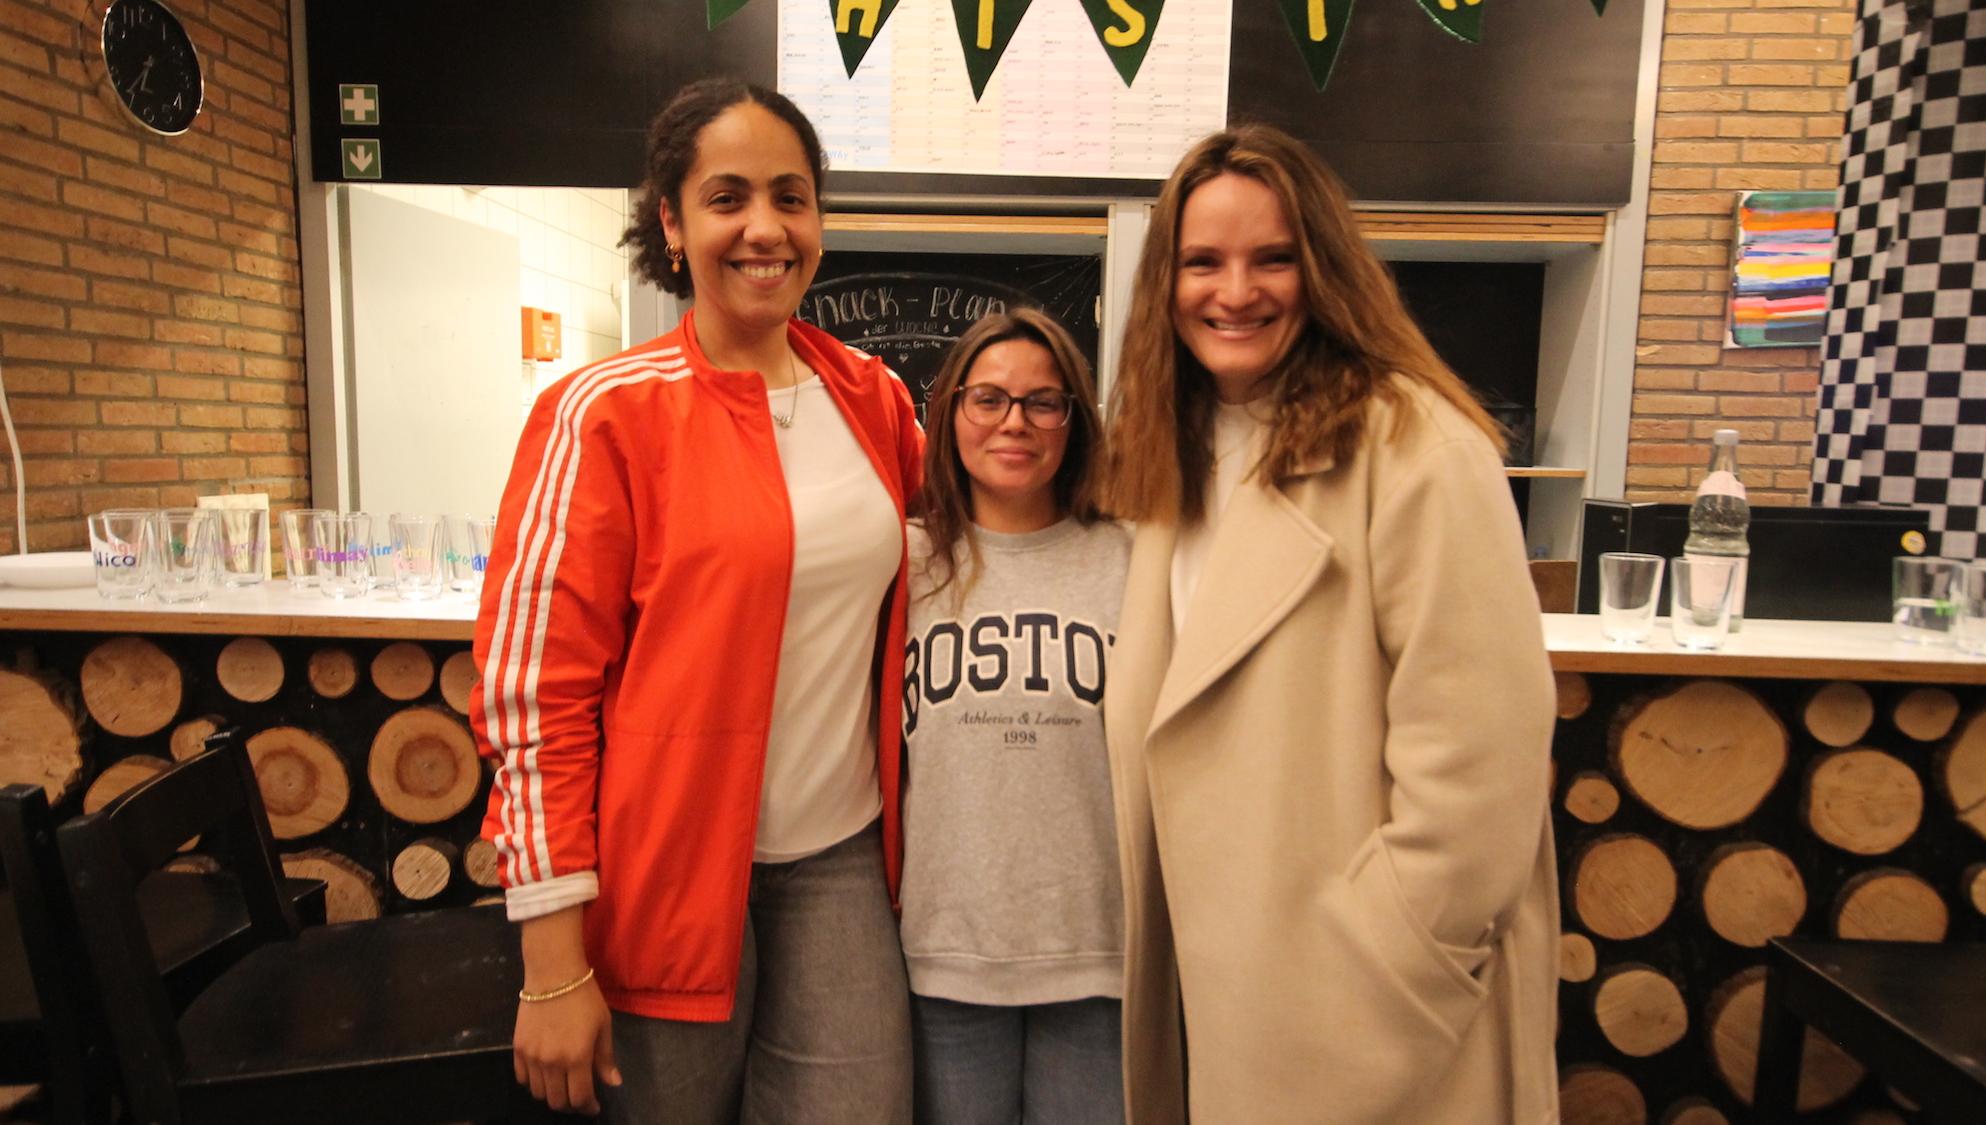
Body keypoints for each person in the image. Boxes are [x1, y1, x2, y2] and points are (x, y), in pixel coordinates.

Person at [471, 77, 921, 1124]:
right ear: (670, 224)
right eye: (727, 198)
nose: (763, 228)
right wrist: (551, 964)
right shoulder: (600, 413)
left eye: (791, 196)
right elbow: (533, 697)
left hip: (839, 858)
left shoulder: (873, 396)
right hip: (658, 875)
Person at [1097, 124, 1559, 1123]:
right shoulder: (1173, 452)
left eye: (1273, 259)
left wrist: (1379, 968)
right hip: (1221, 991)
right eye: (1201, 262)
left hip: (1362, 1017)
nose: (1234, 292)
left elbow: (1479, 775)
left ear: (1325, 270)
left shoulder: (1418, 448)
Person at [899, 309, 1130, 1125]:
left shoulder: (1132, 557)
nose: (1014, 422)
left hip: (1101, 954)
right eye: (987, 397)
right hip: (946, 952)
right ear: (950, 412)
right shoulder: (904, 560)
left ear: (1075, 420)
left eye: (1043, 401)